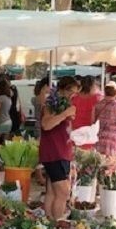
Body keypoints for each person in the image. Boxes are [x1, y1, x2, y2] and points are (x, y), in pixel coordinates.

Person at [40, 76, 79, 220]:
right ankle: (56, 226)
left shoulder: (64, 105)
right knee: (63, 192)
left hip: (62, 152)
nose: (72, 96)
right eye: (71, 93)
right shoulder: (51, 105)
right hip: (53, 153)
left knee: (52, 191)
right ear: (63, 90)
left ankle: (48, 224)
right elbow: (46, 124)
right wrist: (65, 114)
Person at [93, 81, 116, 163]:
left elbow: (93, 121)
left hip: (100, 136)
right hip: (113, 137)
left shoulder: (98, 104)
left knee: (99, 162)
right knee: (110, 163)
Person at [70, 75, 100, 149]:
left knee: (77, 154)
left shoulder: (74, 97)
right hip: (90, 130)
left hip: (76, 130)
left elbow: (71, 114)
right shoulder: (97, 97)